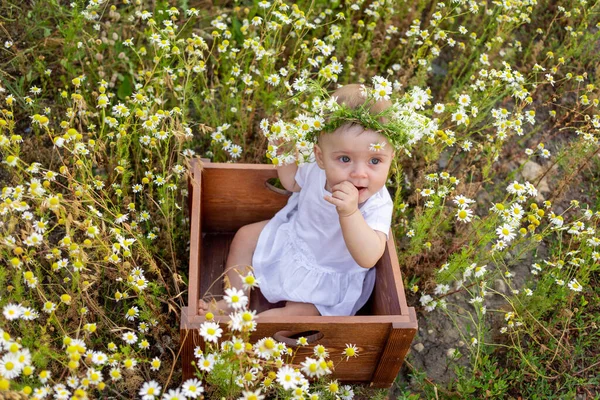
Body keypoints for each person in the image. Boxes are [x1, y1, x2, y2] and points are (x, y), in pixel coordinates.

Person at [199, 83, 396, 317]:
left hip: (330, 274)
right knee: (245, 237)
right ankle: (235, 301)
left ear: (391, 158)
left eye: (375, 161)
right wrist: (283, 152)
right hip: (295, 239)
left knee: (299, 314)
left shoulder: (377, 204)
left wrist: (350, 213)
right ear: (320, 157)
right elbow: (292, 183)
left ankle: (257, 325)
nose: (359, 173)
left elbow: (369, 257)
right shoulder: (317, 169)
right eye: (344, 159)